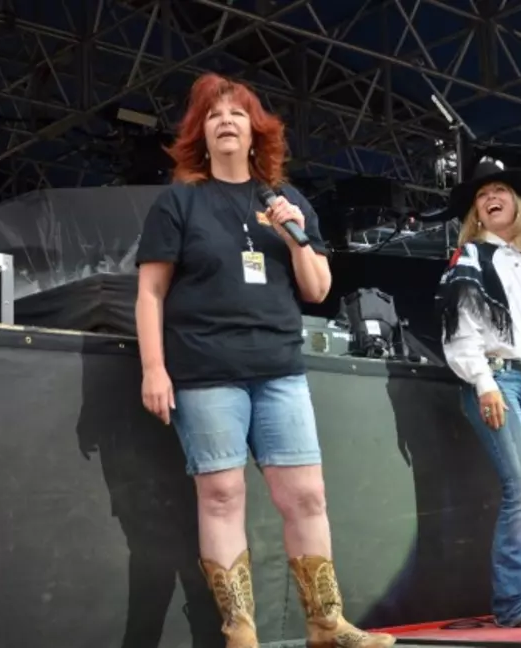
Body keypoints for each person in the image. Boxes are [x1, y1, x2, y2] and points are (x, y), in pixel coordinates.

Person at [134, 72, 394, 648]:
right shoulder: (179, 201)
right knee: (222, 495)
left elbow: (319, 289)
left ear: (258, 131)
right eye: (213, 115)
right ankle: (240, 633)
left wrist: (295, 232)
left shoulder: (288, 202)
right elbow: (150, 292)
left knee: (306, 495)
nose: (226, 121)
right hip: (205, 370)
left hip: (279, 368)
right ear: (200, 134)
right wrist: (154, 368)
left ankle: (326, 624)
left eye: (237, 113)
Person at [436, 159, 521, 628]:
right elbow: (461, 329)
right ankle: (515, 603)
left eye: (499, 189)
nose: (491, 196)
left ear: (517, 203)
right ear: (475, 212)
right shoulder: (471, 258)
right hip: (500, 379)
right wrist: (484, 382)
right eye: (482, 194)